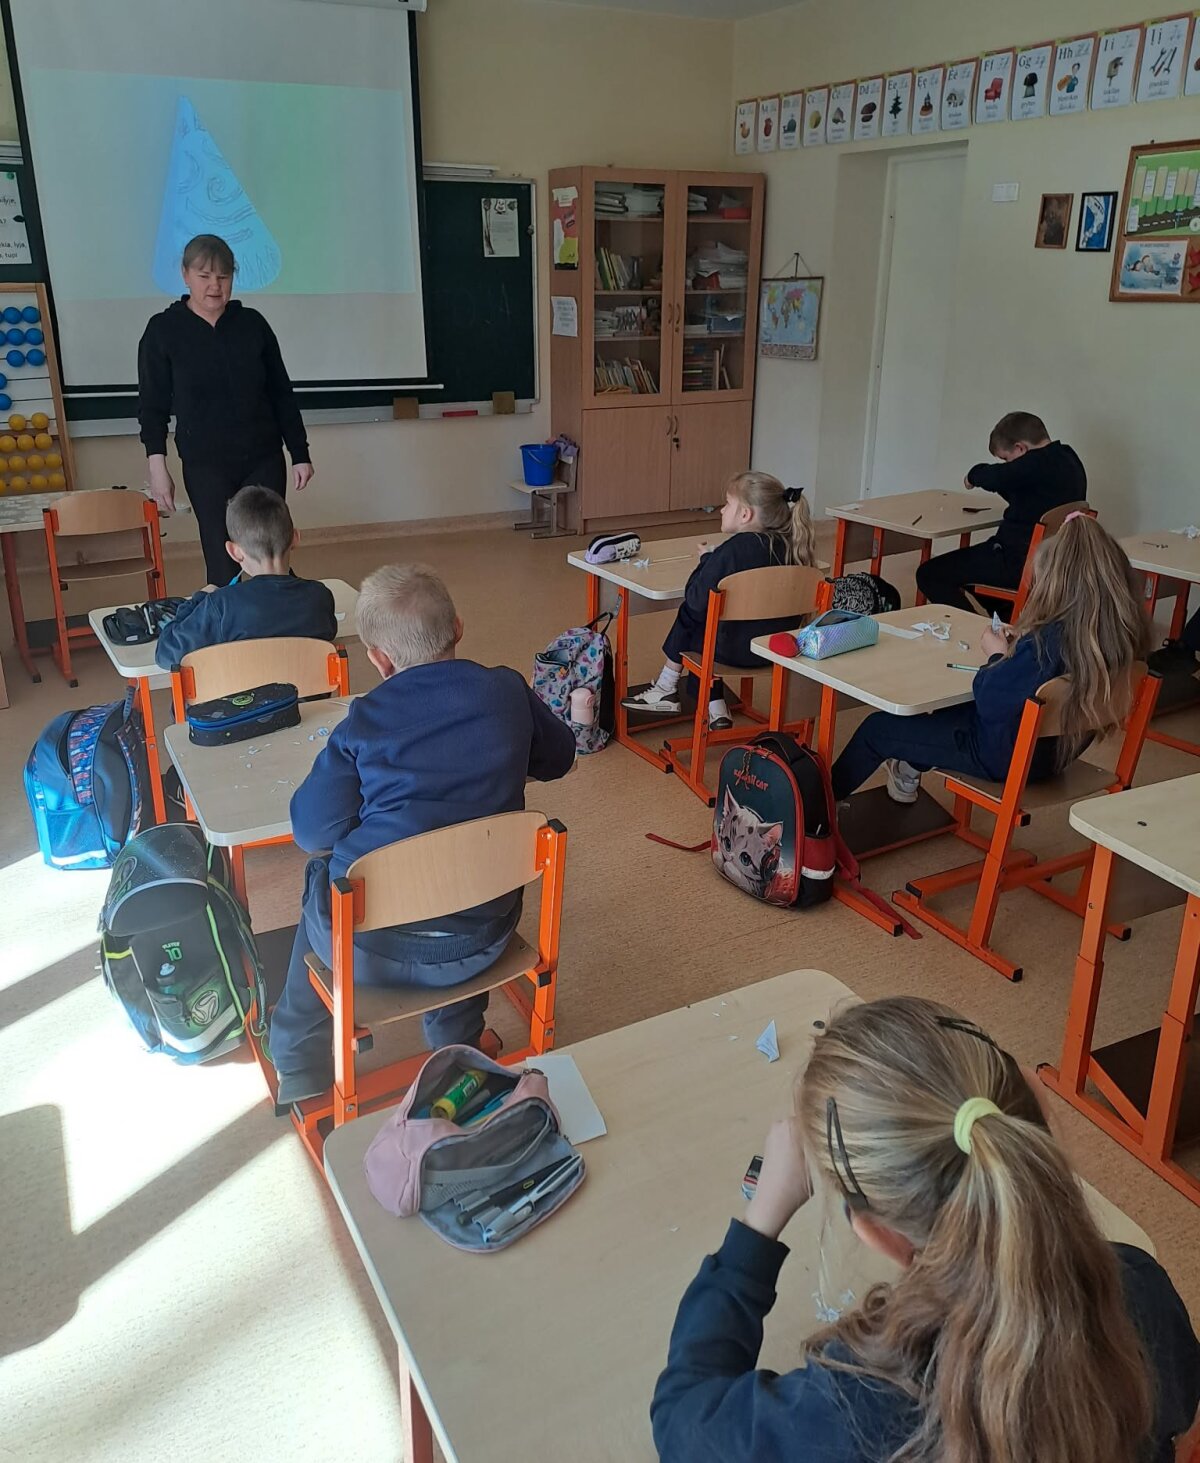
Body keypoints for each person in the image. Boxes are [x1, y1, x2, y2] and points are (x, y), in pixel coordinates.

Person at [651, 996, 1200, 1463]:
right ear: (1034, 1108)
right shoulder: (1138, 1286)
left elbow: (682, 1421)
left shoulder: (861, 1403)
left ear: (878, 1234)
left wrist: (757, 1229)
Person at [269, 563, 577, 1105]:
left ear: (378, 659)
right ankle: (456, 1043)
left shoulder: (363, 722)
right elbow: (559, 758)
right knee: (460, 869)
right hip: (484, 936)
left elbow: (311, 830)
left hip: (368, 952)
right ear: (457, 628)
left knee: (325, 875)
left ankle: (297, 1061)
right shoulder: (505, 689)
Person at [831, 514, 1147, 804]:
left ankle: (816, 815)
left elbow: (989, 698)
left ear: (1056, 584)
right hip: (1057, 754)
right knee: (945, 710)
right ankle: (909, 766)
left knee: (877, 729)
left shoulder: (1046, 644)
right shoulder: (1120, 635)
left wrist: (997, 654)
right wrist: (1020, 651)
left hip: (1008, 757)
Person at [137, 233, 314, 587]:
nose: (215, 286)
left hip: (262, 456)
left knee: (269, 552)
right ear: (185, 275)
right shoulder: (163, 330)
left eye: (223, 276)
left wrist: (300, 453)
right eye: (204, 276)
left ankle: (282, 614)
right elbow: (152, 406)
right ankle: (228, 620)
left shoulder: (253, 325)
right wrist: (158, 467)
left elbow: (281, 392)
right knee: (222, 559)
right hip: (205, 463)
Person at [621, 472, 826, 731]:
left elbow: (695, 597)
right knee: (712, 619)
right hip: (776, 650)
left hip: (730, 653)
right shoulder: (795, 549)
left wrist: (707, 560)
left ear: (745, 514)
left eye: (728, 503)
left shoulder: (733, 551)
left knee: (694, 613)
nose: (721, 510)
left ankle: (666, 687)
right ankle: (715, 705)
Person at [915, 412, 1086, 611]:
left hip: (1016, 563)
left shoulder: (1033, 463)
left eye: (1006, 459)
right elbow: (1021, 491)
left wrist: (972, 475)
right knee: (971, 574)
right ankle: (1005, 620)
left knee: (929, 574)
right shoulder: (1068, 458)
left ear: (1020, 448)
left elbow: (994, 477)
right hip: (1053, 563)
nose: (1007, 465)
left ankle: (970, 626)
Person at [155, 486, 336, 668]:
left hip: (240, 688)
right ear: (295, 538)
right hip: (304, 687)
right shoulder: (320, 597)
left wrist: (197, 600)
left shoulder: (221, 606)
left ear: (234, 552)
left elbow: (166, 654)